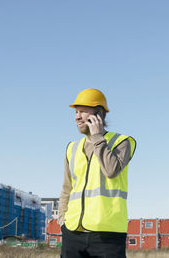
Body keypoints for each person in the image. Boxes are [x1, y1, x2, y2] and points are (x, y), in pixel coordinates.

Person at [58, 88, 136, 258]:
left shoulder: (122, 143)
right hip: (73, 232)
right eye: (76, 112)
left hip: (107, 235)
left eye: (83, 111)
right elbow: (67, 188)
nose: (77, 116)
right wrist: (62, 220)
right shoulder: (72, 148)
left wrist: (98, 138)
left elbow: (111, 170)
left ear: (99, 114)